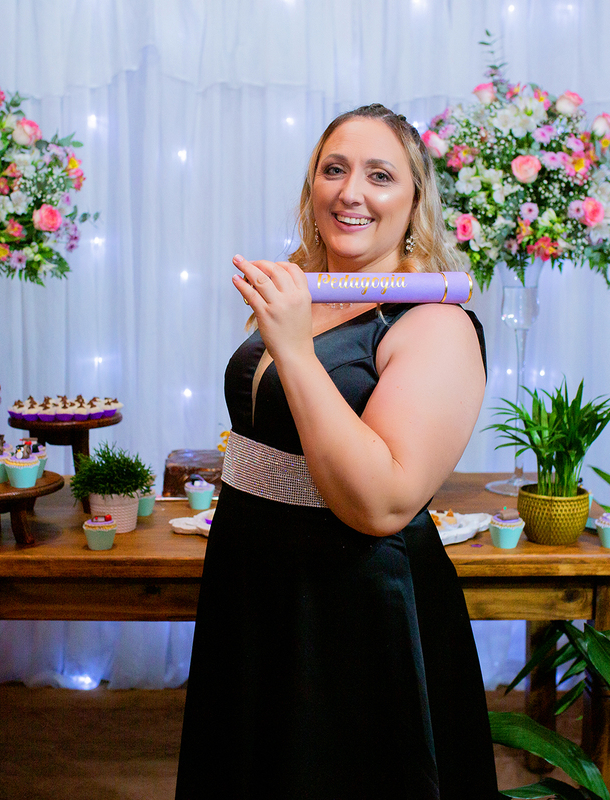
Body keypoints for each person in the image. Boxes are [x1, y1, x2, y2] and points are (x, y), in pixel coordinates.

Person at [176, 104, 500, 799]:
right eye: (334, 169)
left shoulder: (435, 324)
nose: (351, 191)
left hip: (354, 614)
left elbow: (380, 503)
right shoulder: (312, 291)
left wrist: (292, 348)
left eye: (379, 175)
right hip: (255, 588)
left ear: (414, 202)